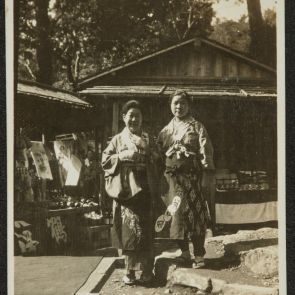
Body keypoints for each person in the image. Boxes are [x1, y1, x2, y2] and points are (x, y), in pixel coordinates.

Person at [157, 90, 215, 269]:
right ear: (170, 105)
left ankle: (198, 254)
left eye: (182, 103)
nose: (178, 106)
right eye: (175, 103)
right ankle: (183, 252)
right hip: (172, 180)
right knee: (176, 214)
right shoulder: (165, 130)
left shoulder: (197, 127)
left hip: (191, 178)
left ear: (188, 105)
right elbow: (158, 155)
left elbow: (206, 153)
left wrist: (206, 175)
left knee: (195, 214)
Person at [102, 100, 156, 285]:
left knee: (146, 230)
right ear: (123, 117)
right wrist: (122, 156)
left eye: (137, 116)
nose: (134, 119)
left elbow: (159, 159)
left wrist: (147, 151)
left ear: (142, 119)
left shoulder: (149, 138)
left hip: (145, 188)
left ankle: (147, 270)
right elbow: (105, 160)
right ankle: (130, 271)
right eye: (130, 115)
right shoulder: (117, 139)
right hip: (125, 190)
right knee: (128, 231)